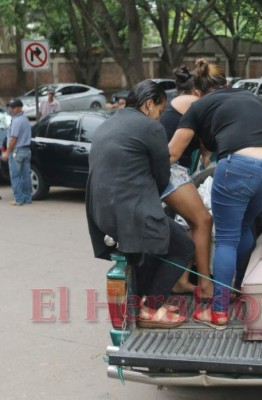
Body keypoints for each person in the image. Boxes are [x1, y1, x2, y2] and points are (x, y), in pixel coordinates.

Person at [168, 60, 262, 329]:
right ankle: (238, 289)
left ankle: (219, 311)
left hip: (239, 166)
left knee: (227, 239)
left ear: (197, 91)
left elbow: (173, 152)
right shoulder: (250, 97)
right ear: (226, 83)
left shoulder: (198, 106)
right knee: (244, 228)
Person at [86, 79, 195, 328]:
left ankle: (145, 302)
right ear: (148, 105)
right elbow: (162, 176)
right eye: (158, 112)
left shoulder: (109, 122)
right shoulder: (150, 128)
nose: (158, 119)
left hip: (101, 212)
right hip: (130, 212)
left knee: (152, 246)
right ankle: (151, 308)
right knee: (182, 246)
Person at [159, 63, 214, 299]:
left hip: (173, 169)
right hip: (169, 169)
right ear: (201, 91)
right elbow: (209, 141)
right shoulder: (193, 103)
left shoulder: (181, 101)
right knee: (203, 220)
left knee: (193, 223)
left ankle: (181, 281)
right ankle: (206, 285)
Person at [1, 99, 32, 205]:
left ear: (19, 108)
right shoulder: (25, 119)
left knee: (15, 176)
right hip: (26, 150)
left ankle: (18, 199)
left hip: (16, 151)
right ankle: (27, 198)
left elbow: (14, 138)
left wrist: (7, 152)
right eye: (10, 107)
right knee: (25, 175)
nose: (11, 109)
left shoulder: (17, 121)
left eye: (13, 107)